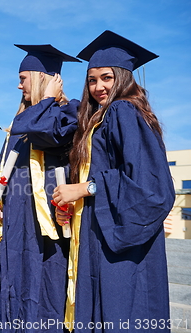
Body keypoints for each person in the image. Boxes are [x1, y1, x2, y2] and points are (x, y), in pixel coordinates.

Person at [52, 30, 175, 332]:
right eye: (92, 80)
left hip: (121, 241)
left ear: (123, 77)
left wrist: (84, 188)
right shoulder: (101, 118)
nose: (98, 87)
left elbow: (148, 185)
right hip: (100, 230)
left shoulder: (122, 111)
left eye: (106, 78)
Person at [0, 45, 80, 332]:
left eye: (24, 78)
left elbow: (45, 132)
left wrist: (49, 97)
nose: (18, 84)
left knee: (45, 293)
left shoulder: (69, 112)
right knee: (14, 291)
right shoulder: (23, 121)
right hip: (17, 225)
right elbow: (9, 171)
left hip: (49, 225)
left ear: (44, 78)